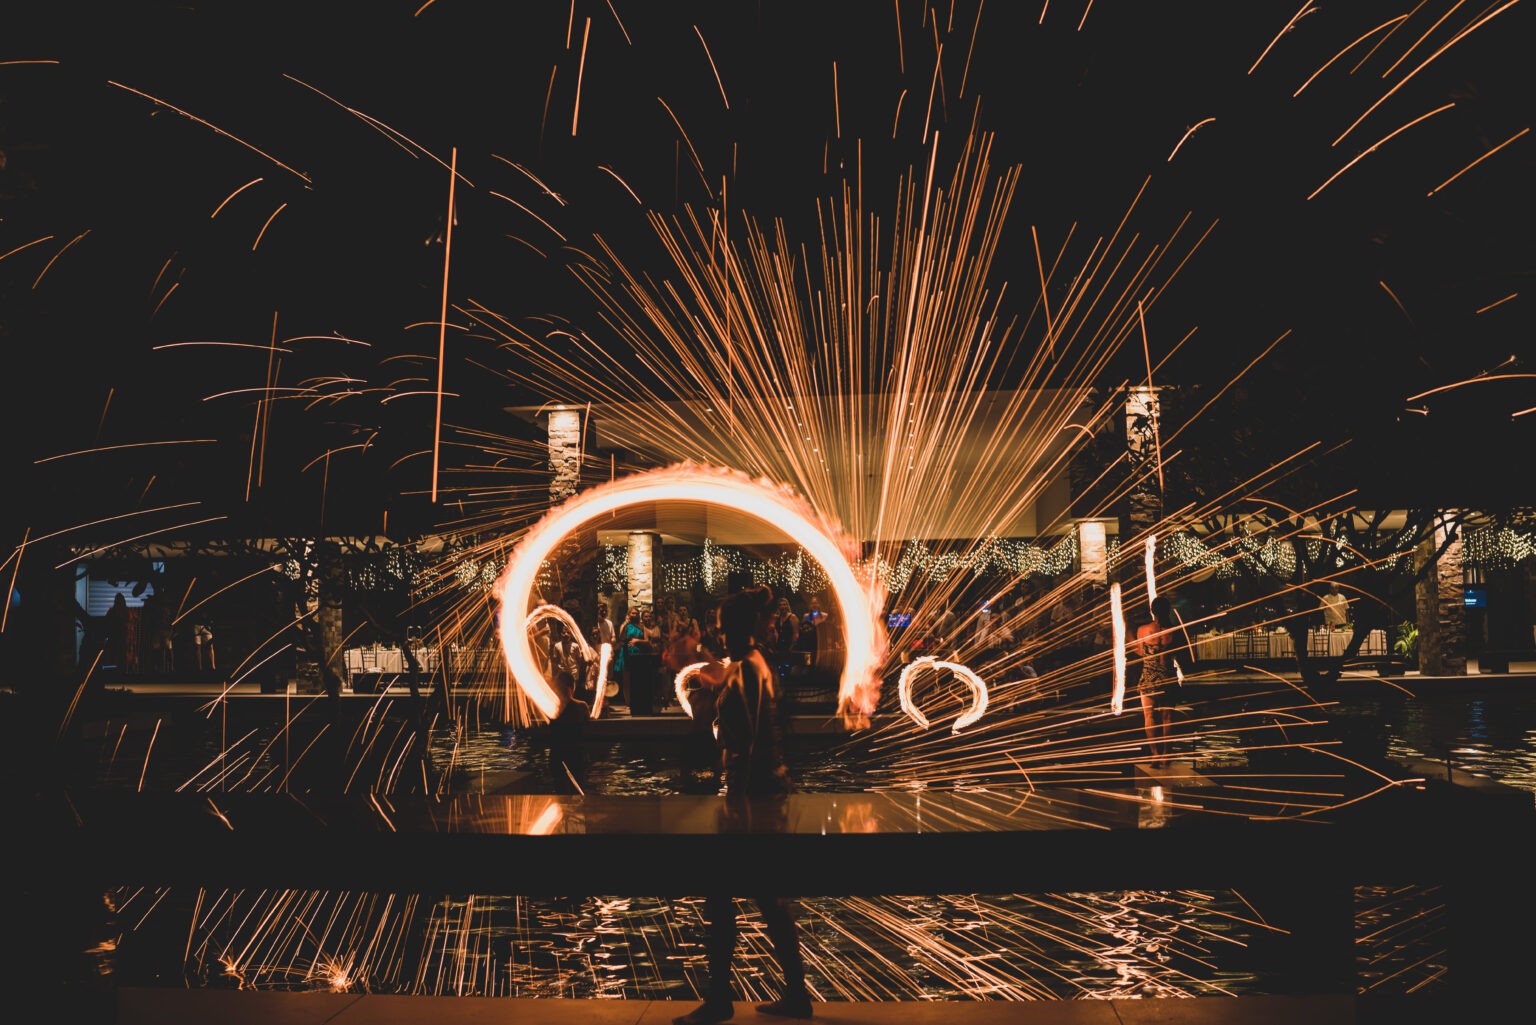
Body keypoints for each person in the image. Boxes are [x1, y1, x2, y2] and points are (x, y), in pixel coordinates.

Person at [675, 585, 811, 1025]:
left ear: (734, 627)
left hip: (752, 800)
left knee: (722, 895)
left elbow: (750, 742)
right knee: (768, 898)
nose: (716, 632)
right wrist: (715, 681)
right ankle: (794, 996)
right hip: (761, 796)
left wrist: (740, 808)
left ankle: (720, 1002)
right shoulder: (748, 666)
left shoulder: (749, 669)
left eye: (720, 626)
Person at [1133, 595, 1196, 766]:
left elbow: (1140, 652)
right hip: (1167, 675)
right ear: (1168, 610)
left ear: (1152, 611)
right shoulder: (1175, 632)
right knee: (1167, 718)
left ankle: (1154, 754)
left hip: (1148, 676)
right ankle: (1166, 755)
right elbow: (1182, 655)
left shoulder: (1142, 630)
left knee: (1149, 716)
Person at [547, 668, 589, 793]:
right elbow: (588, 728)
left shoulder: (551, 706)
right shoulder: (581, 706)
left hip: (558, 755)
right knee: (577, 791)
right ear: (572, 686)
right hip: (576, 754)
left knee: (561, 792)